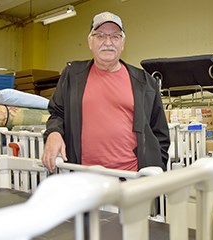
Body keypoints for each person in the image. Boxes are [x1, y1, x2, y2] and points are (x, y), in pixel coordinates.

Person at [42, 11, 170, 173]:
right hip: (84, 177)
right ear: (90, 41)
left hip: (132, 178)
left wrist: (155, 167)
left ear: (123, 43)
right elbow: (57, 112)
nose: (108, 42)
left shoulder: (145, 82)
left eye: (115, 36)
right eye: (100, 36)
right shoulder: (73, 75)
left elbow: (161, 134)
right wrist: (54, 132)